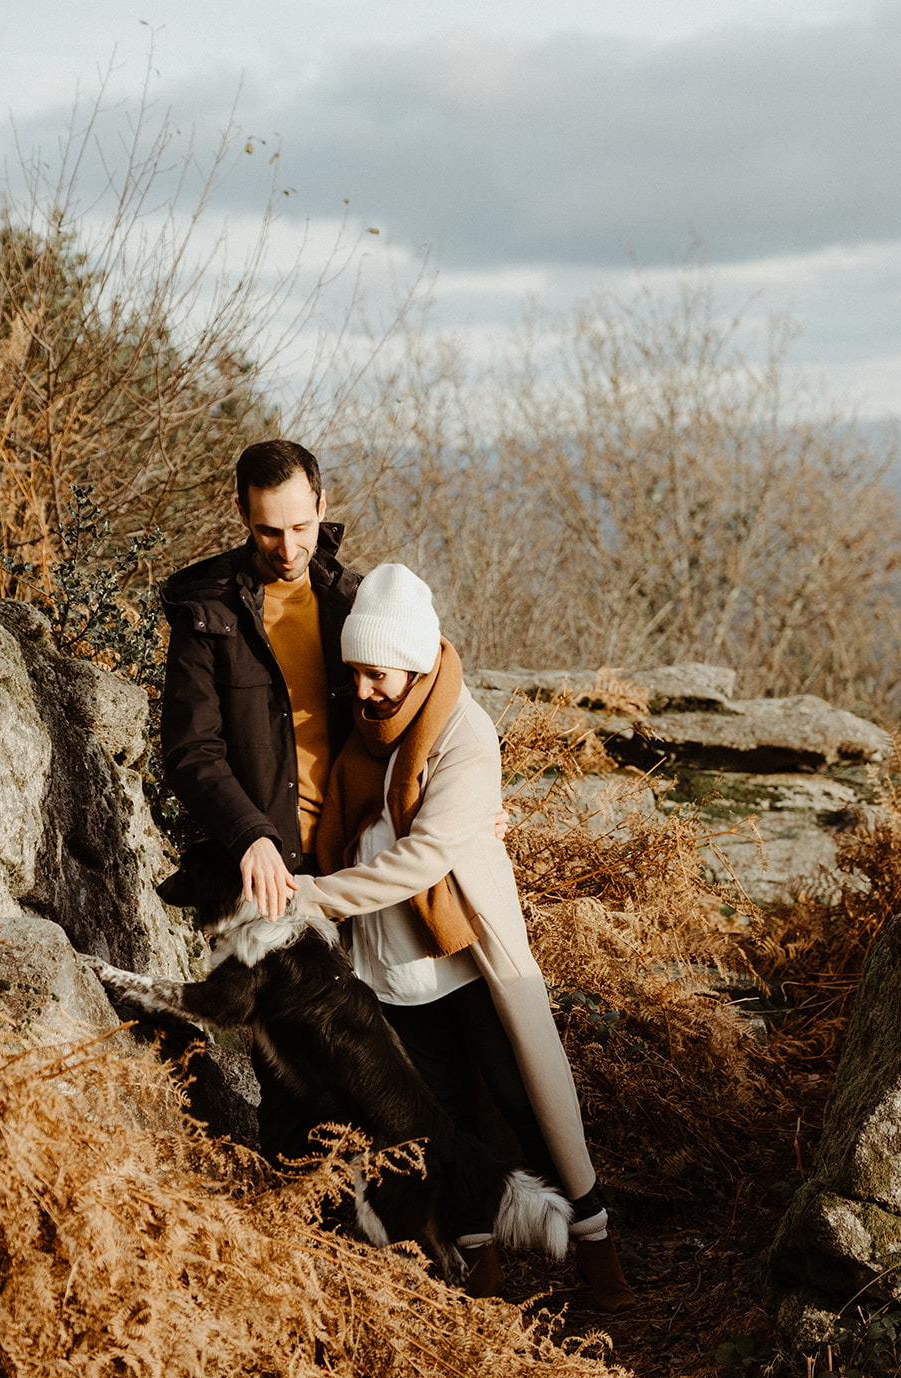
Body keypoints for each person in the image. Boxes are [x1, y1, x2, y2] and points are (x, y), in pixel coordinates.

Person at [295, 564, 636, 1312]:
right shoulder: (360, 738)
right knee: (440, 1124)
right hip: (388, 972)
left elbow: (422, 857)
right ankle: (479, 1270)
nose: (362, 692)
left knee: (530, 1109)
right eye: (353, 674)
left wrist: (313, 895)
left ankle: (597, 1254)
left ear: (415, 663)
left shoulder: (463, 731)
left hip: (466, 962)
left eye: (376, 674)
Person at [158, 439, 362, 1155]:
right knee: (290, 1075)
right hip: (272, 875)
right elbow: (190, 750)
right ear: (242, 515)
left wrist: (474, 798)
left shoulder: (355, 602)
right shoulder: (205, 610)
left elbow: (424, 705)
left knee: (390, 1060)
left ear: (323, 507)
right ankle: (297, 1238)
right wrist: (251, 837)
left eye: (301, 527)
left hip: (363, 864)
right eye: (268, 530)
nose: (286, 547)